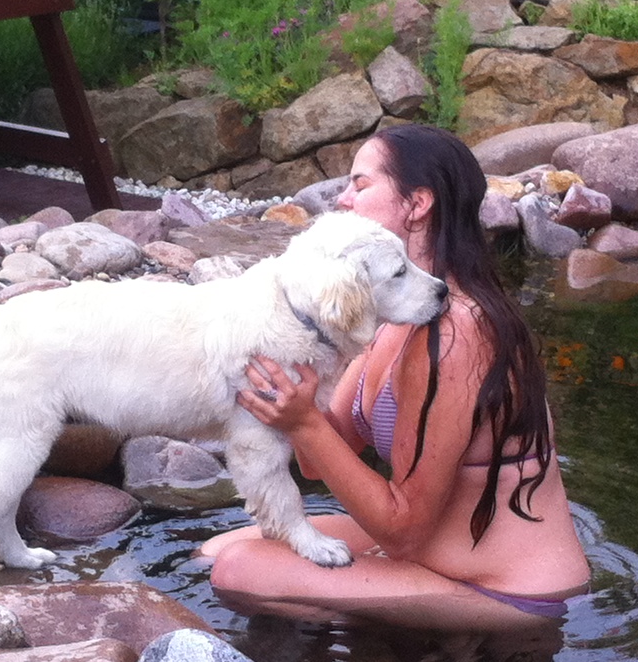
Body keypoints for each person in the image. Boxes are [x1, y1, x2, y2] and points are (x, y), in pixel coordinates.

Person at [201, 122, 592, 633]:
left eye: (360, 185)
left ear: (418, 204)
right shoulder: (392, 314)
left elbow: (403, 529)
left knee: (239, 569)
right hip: (429, 557)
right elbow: (318, 463)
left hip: (512, 593)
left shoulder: (457, 333)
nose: (342, 200)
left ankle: (372, 659)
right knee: (217, 548)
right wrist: (295, 377)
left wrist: (303, 423)